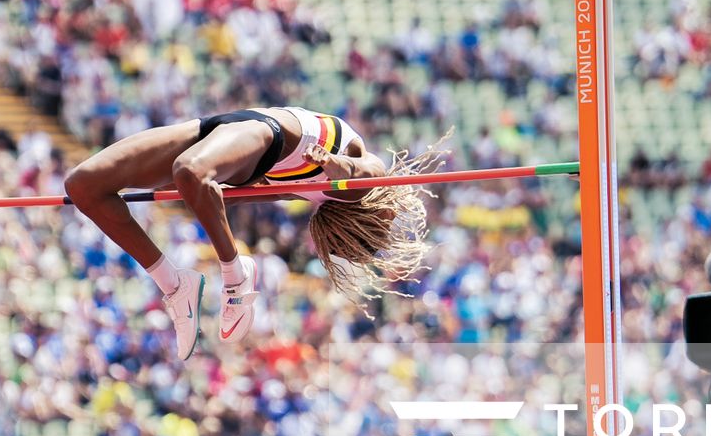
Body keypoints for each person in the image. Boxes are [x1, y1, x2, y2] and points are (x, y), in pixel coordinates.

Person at [63, 109, 441, 356]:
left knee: (191, 173)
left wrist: (326, 164)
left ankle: (234, 276)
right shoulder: (358, 185)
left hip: (259, 139)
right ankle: (176, 283)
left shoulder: (317, 192)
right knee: (83, 185)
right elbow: (359, 172)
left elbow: (235, 197)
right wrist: (331, 162)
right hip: (224, 128)